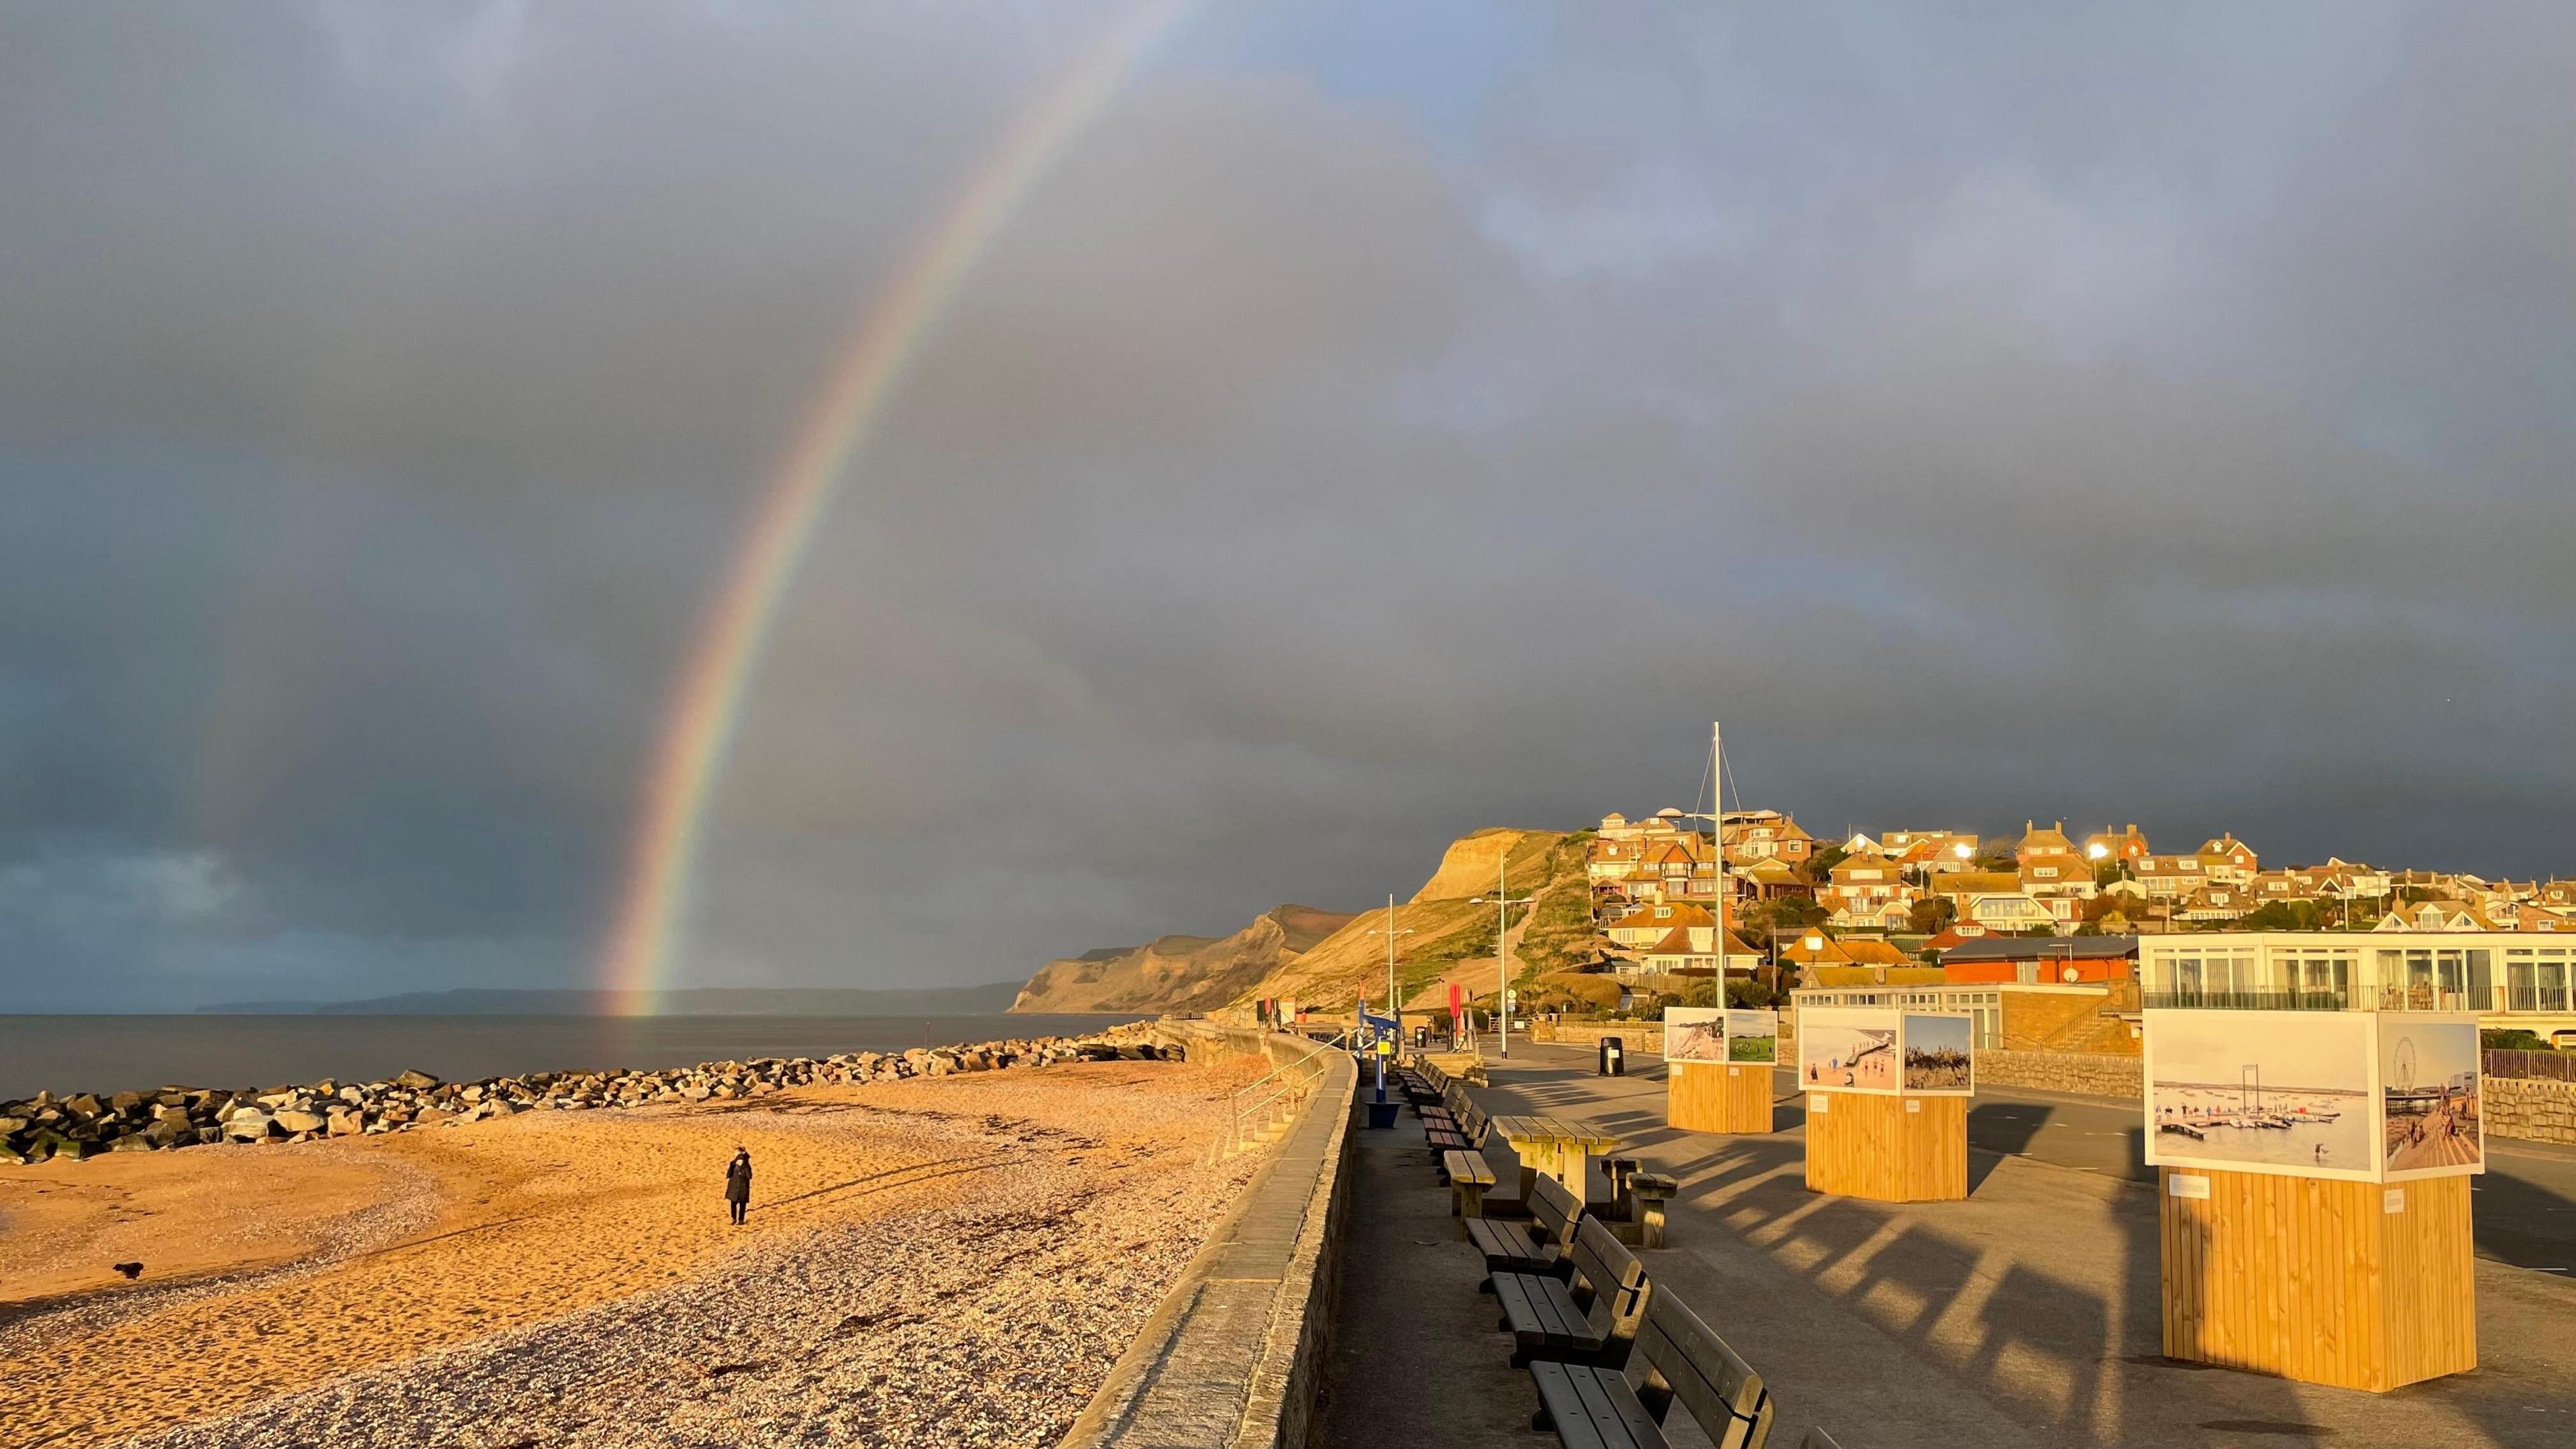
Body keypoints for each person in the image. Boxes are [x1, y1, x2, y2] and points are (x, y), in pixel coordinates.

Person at [725, 1146, 753, 1226]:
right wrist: (733, 1165)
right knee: (733, 1203)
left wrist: (745, 1165)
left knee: (742, 1204)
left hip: (743, 1187)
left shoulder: (746, 1165)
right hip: (734, 1186)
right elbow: (728, 1175)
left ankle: (741, 1219)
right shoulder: (733, 1164)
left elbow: (749, 1176)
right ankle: (734, 1218)